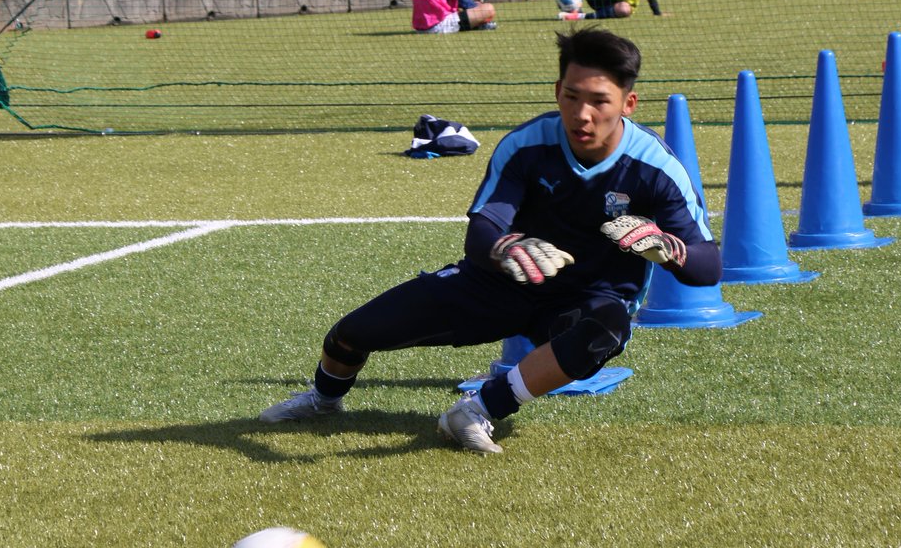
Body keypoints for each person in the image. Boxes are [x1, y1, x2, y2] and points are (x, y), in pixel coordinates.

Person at [260, 27, 720, 454]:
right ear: (557, 91)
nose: (582, 114)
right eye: (571, 96)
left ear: (628, 103)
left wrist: (670, 250)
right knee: (350, 335)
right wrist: (504, 248)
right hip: (501, 282)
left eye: (600, 101)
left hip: (585, 301)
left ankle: (476, 410)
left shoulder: (656, 167)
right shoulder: (526, 145)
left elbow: (708, 267)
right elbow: (481, 230)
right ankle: (323, 401)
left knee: (607, 329)